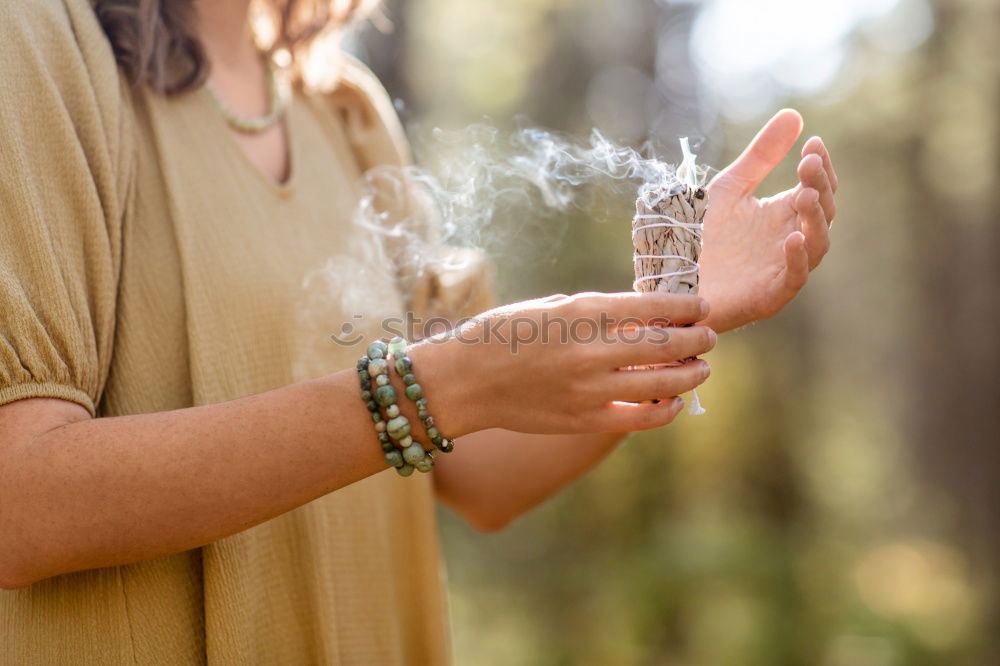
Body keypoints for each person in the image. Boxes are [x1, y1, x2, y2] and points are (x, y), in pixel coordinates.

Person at [0, 0, 837, 662]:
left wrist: (675, 306)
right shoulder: (35, 41)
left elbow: (482, 472)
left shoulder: (344, 111)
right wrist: (438, 384)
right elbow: (18, 504)